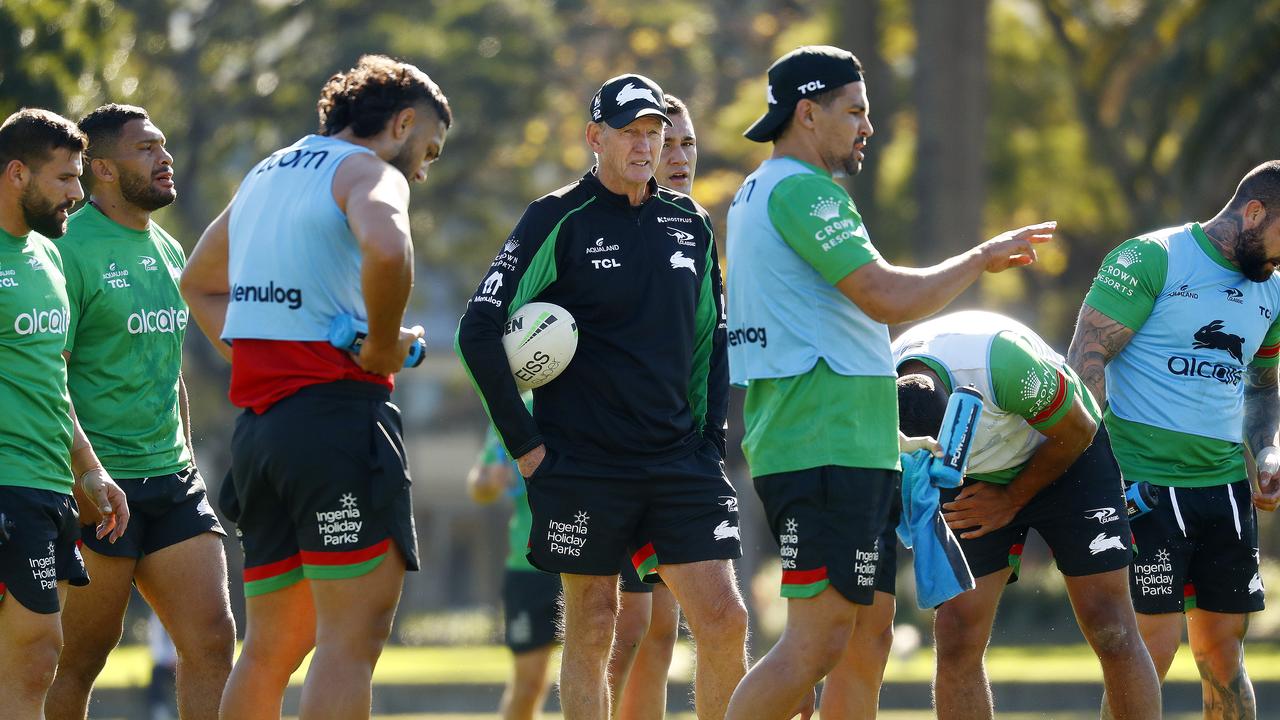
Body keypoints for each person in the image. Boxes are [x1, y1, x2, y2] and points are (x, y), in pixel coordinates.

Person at [721, 45, 1055, 720]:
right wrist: (981, 258)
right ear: (807, 114)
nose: (867, 127)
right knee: (816, 648)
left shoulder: (760, 190)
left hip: (844, 442)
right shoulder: (802, 190)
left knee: (868, 639)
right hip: (823, 443)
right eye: (855, 112)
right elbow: (885, 295)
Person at [456, 73, 745, 720]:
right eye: (629, 132)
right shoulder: (555, 218)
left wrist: (710, 446)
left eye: (654, 132)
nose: (646, 145)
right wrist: (527, 450)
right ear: (595, 137)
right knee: (595, 624)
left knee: (724, 617)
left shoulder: (690, 224)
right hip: (584, 465)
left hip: (679, 462)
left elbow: (710, 343)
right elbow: (477, 327)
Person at [180, 55, 451, 719]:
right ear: (403, 123)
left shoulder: (266, 173)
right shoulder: (369, 171)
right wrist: (385, 345)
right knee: (349, 640)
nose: (423, 168)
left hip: (261, 434)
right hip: (336, 427)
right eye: (429, 150)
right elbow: (390, 250)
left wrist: (271, 353)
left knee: (270, 649)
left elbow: (198, 282)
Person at [1068, 160, 1280, 719]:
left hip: (1226, 493)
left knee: (1223, 653)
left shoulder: (1273, 293)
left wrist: (1267, 450)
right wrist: (1094, 479)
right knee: (1148, 652)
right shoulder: (1151, 258)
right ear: (1254, 213)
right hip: (1144, 487)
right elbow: (1085, 364)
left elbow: (1263, 389)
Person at [45, 103, 234, 720]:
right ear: (100, 168)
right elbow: (48, 374)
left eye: (164, 145)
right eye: (147, 148)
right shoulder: (66, 250)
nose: (166, 157)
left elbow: (169, 367)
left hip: (172, 480)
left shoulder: (171, 250)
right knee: (78, 660)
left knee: (211, 641)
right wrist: (83, 471)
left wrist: (183, 450)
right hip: (97, 486)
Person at [888, 310, 1161, 719]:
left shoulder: (1003, 361)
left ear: (958, 410)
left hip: (1067, 450)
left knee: (1111, 626)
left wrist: (1011, 498)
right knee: (956, 633)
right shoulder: (874, 389)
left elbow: (1079, 428)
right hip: (974, 476)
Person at [0, 108, 129, 720]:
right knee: (34, 655)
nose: (78, 196)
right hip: (7, 482)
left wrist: (91, 468)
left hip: (49, 485)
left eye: (81, 179)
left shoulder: (49, 260)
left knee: (36, 659)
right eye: (65, 180)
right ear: (17, 174)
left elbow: (53, 381)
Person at [608, 92, 697, 720]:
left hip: (679, 455)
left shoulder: (695, 232)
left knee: (663, 626)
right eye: (668, 142)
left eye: (688, 143)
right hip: (613, 458)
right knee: (625, 626)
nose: (679, 155)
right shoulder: (604, 223)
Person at [467, 394, 561, 720]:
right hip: (528, 566)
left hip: (591, 558)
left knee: (607, 671)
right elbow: (479, 483)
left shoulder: (588, 397)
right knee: (529, 683)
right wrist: (488, 481)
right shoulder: (515, 407)